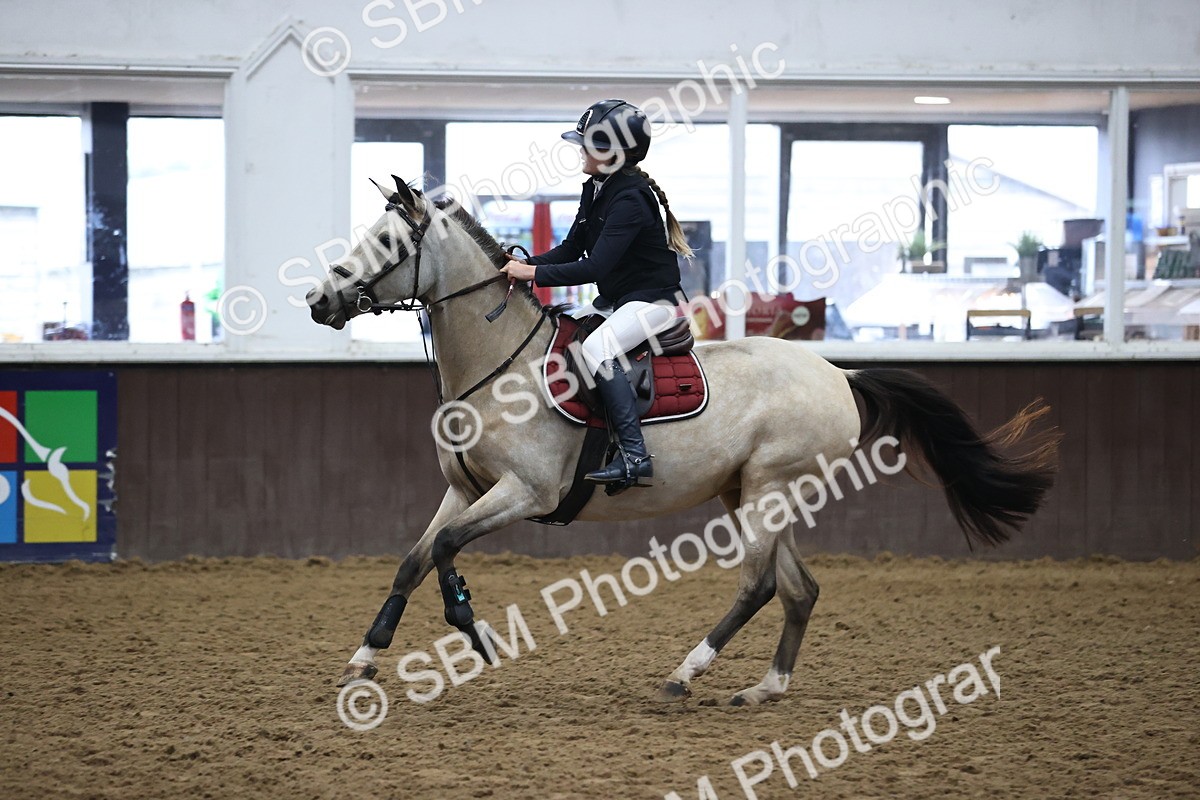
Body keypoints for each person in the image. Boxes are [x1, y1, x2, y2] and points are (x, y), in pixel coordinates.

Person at [501, 99, 692, 492]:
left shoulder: (631, 200)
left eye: (588, 144)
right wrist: (520, 265)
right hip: (617, 301)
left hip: (652, 303)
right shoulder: (597, 188)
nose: (581, 151)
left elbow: (594, 268)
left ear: (613, 152)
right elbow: (571, 250)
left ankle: (635, 457)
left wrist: (532, 273)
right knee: (562, 330)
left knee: (596, 351)